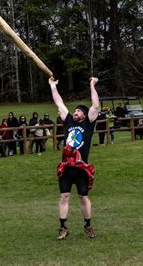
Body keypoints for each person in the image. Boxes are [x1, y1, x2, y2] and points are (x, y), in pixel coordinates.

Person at [49, 76, 100, 240]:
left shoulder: (88, 124)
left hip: (81, 167)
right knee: (64, 196)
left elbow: (96, 105)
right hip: (66, 167)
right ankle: (63, 228)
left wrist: (92, 85)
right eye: (76, 110)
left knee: (83, 197)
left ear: (85, 115)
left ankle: (88, 226)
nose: (75, 112)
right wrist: (53, 87)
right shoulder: (69, 121)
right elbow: (59, 103)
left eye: (79, 111)